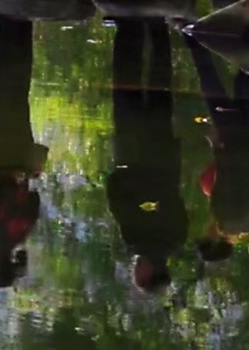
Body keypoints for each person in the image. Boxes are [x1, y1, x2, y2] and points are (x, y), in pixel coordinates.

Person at [185, 32, 249, 263]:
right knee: (210, 84)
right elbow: (212, 176)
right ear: (214, 240)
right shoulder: (220, 216)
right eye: (205, 237)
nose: (205, 232)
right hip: (230, 138)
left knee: (245, 83)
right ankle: (193, 37)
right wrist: (215, 145)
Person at [108, 18, 187, 292]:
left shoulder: (177, 238)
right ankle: (129, 28)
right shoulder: (135, 239)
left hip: (164, 154)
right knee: (125, 83)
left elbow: (176, 198)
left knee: (160, 86)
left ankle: (156, 25)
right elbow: (117, 199)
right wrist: (119, 176)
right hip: (132, 153)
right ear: (145, 274)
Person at [0, 15, 46, 288]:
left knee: (19, 93)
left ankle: (21, 26)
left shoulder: (22, 233)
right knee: (0, 88)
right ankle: (7, 26)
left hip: (22, 158)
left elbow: (35, 200)